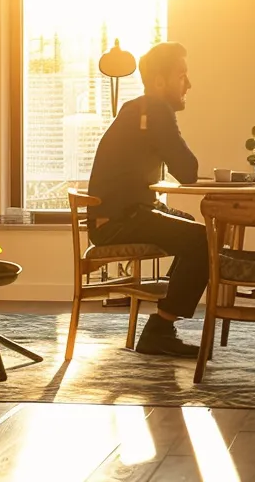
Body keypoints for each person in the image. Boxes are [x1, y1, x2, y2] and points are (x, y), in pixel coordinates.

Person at [86, 42, 207, 358]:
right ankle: (160, 328)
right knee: (204, 240)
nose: (189, 84)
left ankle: (164, 316)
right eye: (182, 76)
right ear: (159, 82)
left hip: (122, 214)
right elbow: (188, 172)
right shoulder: (154, 109)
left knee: (191, 227)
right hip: (117, 221)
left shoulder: (139, 108)